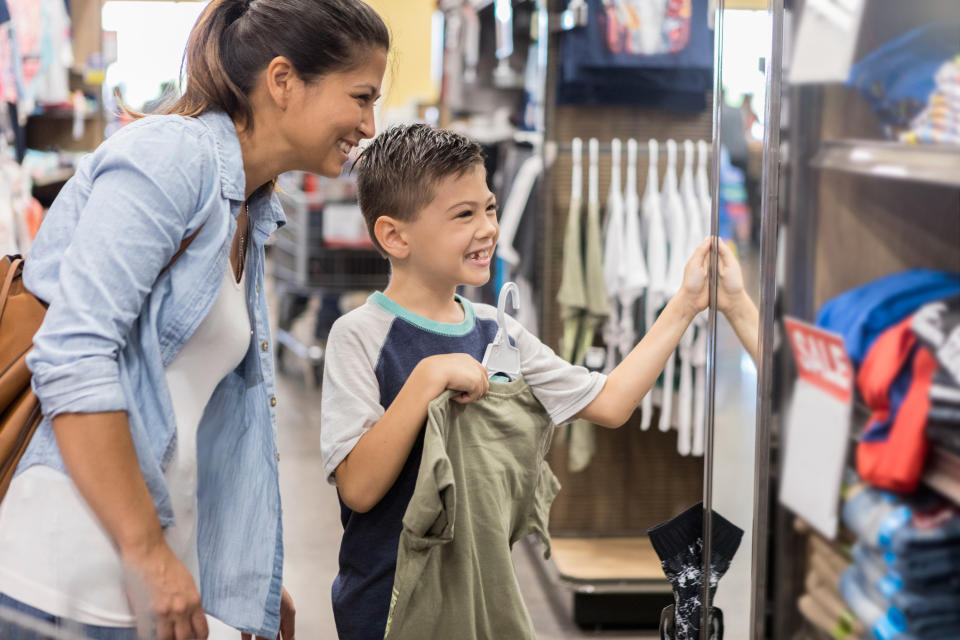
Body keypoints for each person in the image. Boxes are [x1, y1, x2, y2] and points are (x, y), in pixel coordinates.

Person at [0, 1, 388, 639]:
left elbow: (193, 416)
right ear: (283, 80)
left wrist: (241, 576)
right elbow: (72, 355)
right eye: (361, 96)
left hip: (142, 575)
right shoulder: (171, 157)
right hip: (65, 573)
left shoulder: (252, 209)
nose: (370, 124)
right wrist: (147, 552)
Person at [319, 124, 757, 639]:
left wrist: (685, 303)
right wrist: (427, 378)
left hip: (481, 602)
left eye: (490, 208)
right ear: (395, 235)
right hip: (388, 611)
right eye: (464, 215)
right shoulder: (360, 336)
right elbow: (359, 489)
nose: (488, 229)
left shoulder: (496, 329)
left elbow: (611, 401)